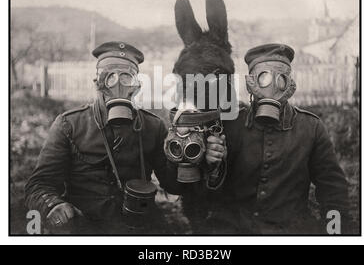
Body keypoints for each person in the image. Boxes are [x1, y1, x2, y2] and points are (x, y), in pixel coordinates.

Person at [25, 41, 226, 234]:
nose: (118, 85)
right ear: (97, 83)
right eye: (109, 77)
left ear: (136, 85)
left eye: (126, 78)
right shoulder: (69, 124)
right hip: (85, 227)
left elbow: (173, 185)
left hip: (139, 226)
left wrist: (203, 163)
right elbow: (39, 184)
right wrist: (53, 205)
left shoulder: (152, 126)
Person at [210, 43, 351, 234]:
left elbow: (333, 190)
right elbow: (208, 188)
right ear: (250, 83)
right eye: (264, 78)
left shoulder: (310, 128)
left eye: (281, 78)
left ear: (290, 84)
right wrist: (213, 166)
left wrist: (334, 233)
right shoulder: (231, 124)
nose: (273, 86)